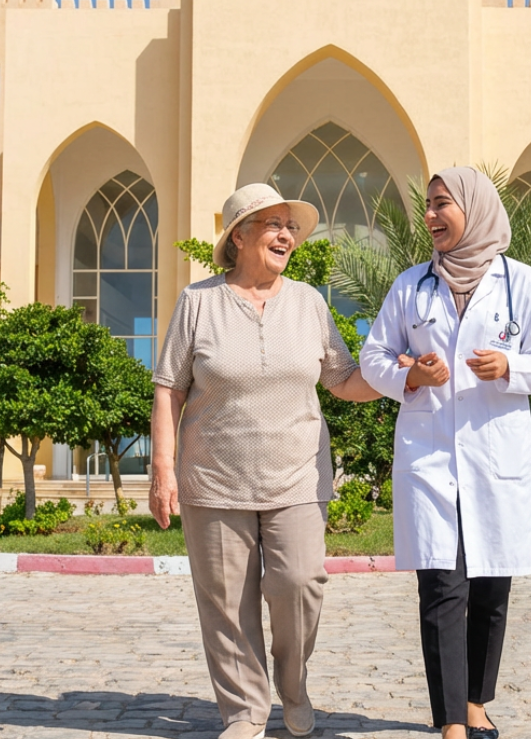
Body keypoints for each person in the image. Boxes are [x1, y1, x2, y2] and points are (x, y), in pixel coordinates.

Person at [149, 182, 382, 739]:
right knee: (226, 603)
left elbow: (342, 379)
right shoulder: (198, 302)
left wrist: (399, 375)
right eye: (273, 224)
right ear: (239, 236)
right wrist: (162, 468)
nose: (287, 235)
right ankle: (245, 712)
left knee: (300, 583)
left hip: (297, 475)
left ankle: (294, 687)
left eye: (291, 227)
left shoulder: (309, 303)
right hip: (213, 477)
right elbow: (168, 388)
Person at [359, 167, 531, 739]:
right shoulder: (411, 285)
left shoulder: (521, 283)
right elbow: (375, 358)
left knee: (492, 587)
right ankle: (451, 719)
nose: (429, 216)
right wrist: (414, 376)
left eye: (441, 204)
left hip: (495, 459)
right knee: (442, 589)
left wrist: (510, 367)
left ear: (474, 210)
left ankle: (476, 702)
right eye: (427, 206)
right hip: (430, 459)